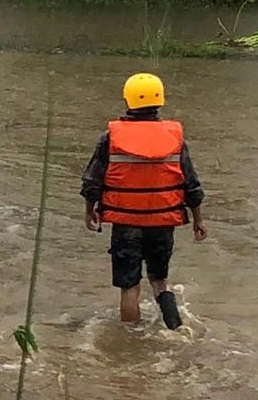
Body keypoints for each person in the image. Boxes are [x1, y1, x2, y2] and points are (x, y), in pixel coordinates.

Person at [80, 72, 207, 330]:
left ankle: (131, 343)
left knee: (129, 287)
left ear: (127, 101)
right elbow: (191, 184)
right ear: (159, 101)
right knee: (159, 280)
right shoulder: (174, 138)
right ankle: (176, 329)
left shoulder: (110, 137)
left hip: (125, 223)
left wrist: (89, 211)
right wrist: (198, 220)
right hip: (163, 221)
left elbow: (92, 181)